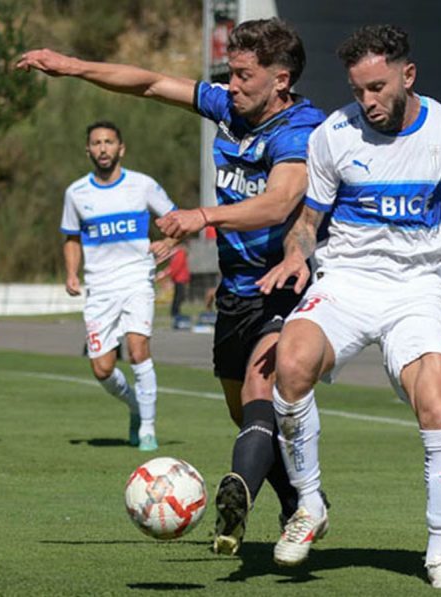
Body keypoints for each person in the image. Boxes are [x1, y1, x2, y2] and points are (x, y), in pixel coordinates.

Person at [18, 18, 326, 556]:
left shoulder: (302, 130)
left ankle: (241, 501)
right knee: (244, 412)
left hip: (284, 282)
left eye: (244, 76)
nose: (231, 85)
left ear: (280, 80)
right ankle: (302, 502)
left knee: (259, 394)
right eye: (229, 74)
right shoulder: (229, 106)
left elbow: (278, 203)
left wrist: (202, 216)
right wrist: (73, 67)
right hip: (236, 289)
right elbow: (149, 83)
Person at [257, 25, 441, 588]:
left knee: (437, 399)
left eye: (377, 88)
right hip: (348, 280)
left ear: (407, 76)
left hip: (415, 287)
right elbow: (308, 225)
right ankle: (309, 505)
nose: (367, 102)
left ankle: (439, 548)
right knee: (292, 361)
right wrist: (295, 256)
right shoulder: (335, 134)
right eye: (358, 91)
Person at [60, 120, 177, 452]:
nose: (103, 148)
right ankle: (136, 409)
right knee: (102, 368)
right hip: (100, 288)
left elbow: (176, 218)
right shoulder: (76, 193)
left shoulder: (142, 186)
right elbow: (70, 237)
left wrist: (169, 241)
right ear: (88, 150)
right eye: (96, 143)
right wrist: (72, 272)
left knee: (139, 349)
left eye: (109, 142)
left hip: (137, 279)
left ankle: (149, 430)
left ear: (120, 148)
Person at [156, 242, 191, 321]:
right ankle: (175, 312)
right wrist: (170, 275)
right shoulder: (180, 253)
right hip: (180, 278)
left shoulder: (178, 253)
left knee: (178, 296)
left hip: (179, 277)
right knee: (179, 296)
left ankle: (175, 311)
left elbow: (175, 266)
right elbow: (176, 266)